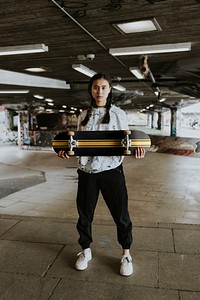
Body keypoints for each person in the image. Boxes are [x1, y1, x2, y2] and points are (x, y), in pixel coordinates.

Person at [58, 73, 145, 276]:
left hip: (112, 171)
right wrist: (66, 151)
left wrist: (136, 152)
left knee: (121, 214)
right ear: (91, 90)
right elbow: (76, 144)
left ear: (109, 90)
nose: (99, 91)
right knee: (84, 215)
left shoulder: (118, 114)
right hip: (86, 172)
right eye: (96, 87)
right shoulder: (82, 115)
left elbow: (127, 142)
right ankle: (85, 251)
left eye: (104, 87)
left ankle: (126, 254)